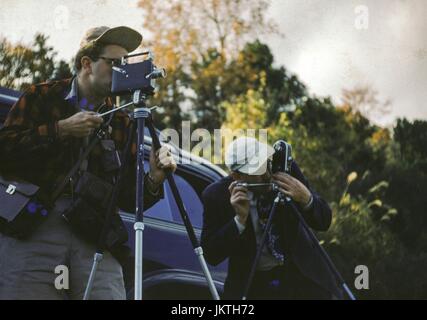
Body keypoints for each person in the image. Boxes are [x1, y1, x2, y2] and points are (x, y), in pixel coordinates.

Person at [0, 26, 176, 300]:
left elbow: (129, 198)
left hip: (94, 231)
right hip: (37, 224)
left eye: (126, 64)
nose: (122, 71)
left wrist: (154, 177)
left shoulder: (122, 120)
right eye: (114, 63)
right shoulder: (42, 97)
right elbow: (5, 151)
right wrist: (60, 130)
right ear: (87, 64)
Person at [201, 136, 344, 299]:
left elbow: (324, 221)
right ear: (237, 176)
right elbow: (211, 255)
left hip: (301, 276)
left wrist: (307, 199)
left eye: (267, 165)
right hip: (255, 284)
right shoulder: (216, 196)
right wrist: (239, 221)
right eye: (258, 173)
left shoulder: (284, 169)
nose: (268, 176)